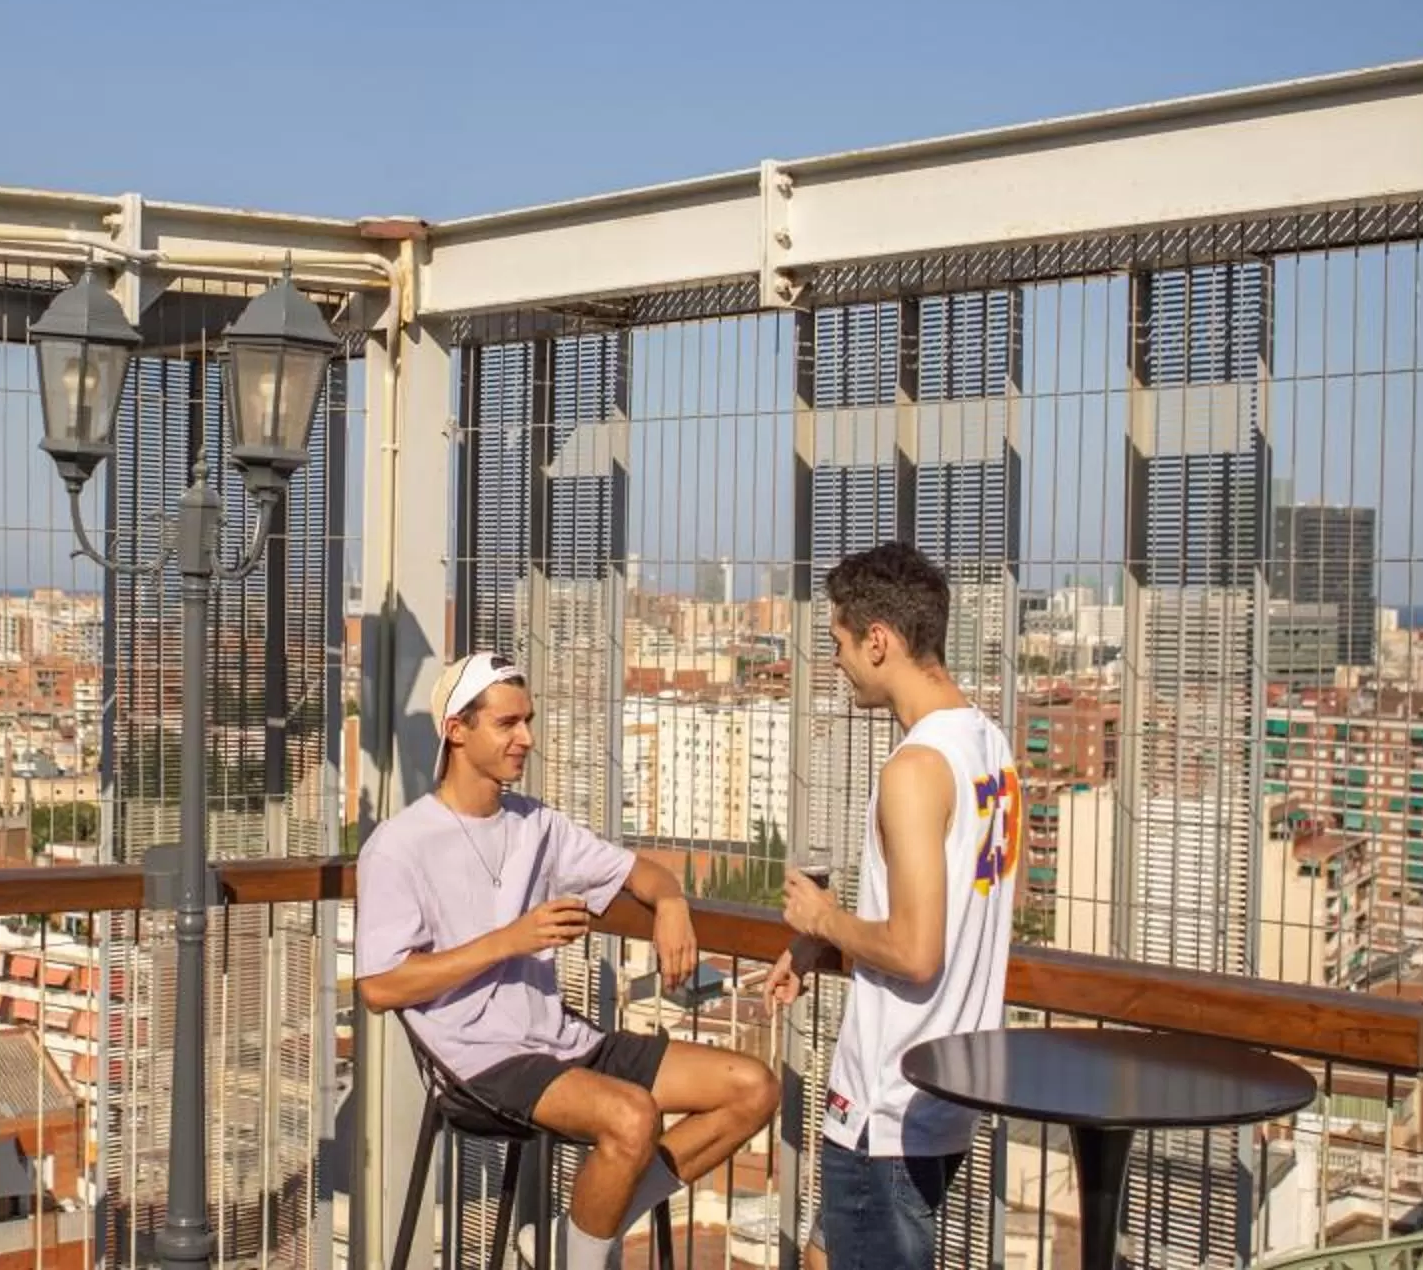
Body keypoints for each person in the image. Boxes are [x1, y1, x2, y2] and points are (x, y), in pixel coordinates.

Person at [358, 650, 780, 1270]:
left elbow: (647, 873)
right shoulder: (398, 846)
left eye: (527, 720)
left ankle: (580, 1233)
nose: (526, 738)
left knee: (753, 1088)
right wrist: (509, 939)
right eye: (508, 724)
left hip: (557, 1038)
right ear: (456, 729)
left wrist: (672, 906)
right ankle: (583, 1254)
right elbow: (379, 986)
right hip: (478, 1058)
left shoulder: (538, 825)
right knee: (632, 1117)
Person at [765, 543, 1021, 1270]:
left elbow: (915, 950)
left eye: (840, 644)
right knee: (824, 1255)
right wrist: (832, 941)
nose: (838, 663)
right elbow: (977, 911)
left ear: (879, 640)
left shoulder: (913, 768)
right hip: (946, 1093)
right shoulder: (993, 751)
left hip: (885, 1104)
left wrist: (820, 919)